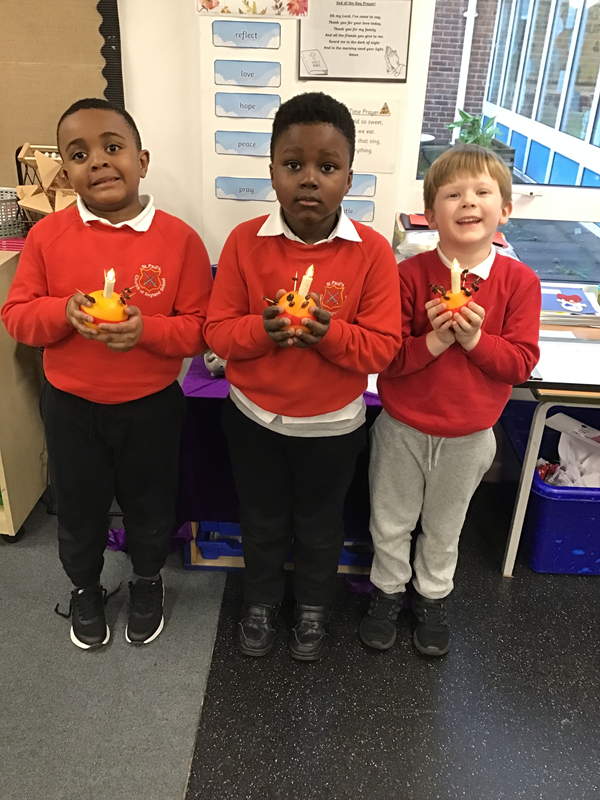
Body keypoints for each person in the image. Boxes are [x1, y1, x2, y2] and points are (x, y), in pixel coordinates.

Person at [1, 98, 212, 649]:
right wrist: (62, 313)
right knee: (78, 508)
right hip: (70, 407)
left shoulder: (180, 240)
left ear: (142, 161)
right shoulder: (48, 236)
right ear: (65, 173)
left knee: (150, 504)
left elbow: (199, 330)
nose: (97, 161)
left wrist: (147, 331)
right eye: (78, 155)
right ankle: (84, 587)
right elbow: (17, 316)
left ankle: (147, 580)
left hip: (151, 407)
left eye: (112, 147)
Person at [205, 92, 402, 661]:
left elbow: (383, 349)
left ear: (349, 178)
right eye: (293, 165)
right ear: (272, 173)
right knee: (261, 519)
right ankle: (261, 602)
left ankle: (314, 607)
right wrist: (262, 330)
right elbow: (217, 333)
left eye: (327, 166)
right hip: (255, 419)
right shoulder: (244, 242)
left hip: (332, 426)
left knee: (320, 525)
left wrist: (329, 334)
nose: (309, 179)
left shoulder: (372, 254)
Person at [359, 143, 541, 656]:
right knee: (390, 520)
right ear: (430, 213)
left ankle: (432, 596)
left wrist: (475, 340)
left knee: (444, 526)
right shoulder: (407, 276)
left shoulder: (519, 282)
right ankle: (387, 593)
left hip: (469, 435)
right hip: (402, 427)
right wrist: (436, 339)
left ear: (504, 210)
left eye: (482, 192)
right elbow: (387, 358)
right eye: (453, 194)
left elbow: (520, 364)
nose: (468, 202)